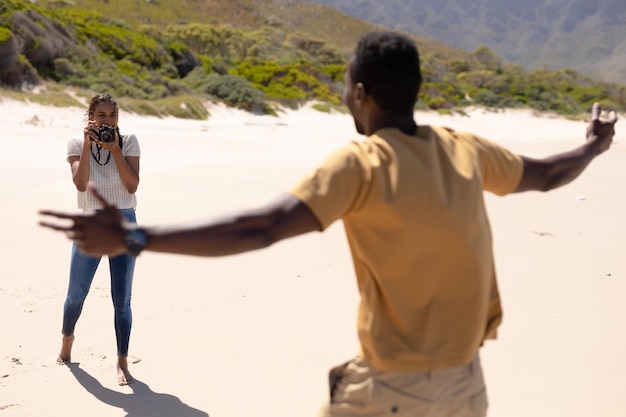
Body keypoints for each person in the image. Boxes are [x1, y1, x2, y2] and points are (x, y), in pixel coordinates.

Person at [39, 32, 617, 415]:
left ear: (361, 95)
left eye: (345, 86)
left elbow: (261, 227)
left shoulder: (361, 162)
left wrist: (137, 236)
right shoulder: (464, 148)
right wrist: (593, 146)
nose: (343, 96)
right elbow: (546, 174)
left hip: (391, 388)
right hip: (469, 387)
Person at [55, 93, 141, 386]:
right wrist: (91, 143)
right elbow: (80, 184)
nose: (107, 121)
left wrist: (115, 150)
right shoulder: (77, 143)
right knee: (76, 294)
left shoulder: (128, 141)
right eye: (101, 116)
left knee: (122, 300)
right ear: (90, 116)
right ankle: (67, 338)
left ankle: (121, 362)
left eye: (112, 116)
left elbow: (131, 187)